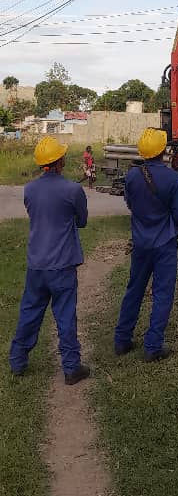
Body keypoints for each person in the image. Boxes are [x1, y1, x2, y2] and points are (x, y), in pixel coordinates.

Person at [9, 136, 90, 385]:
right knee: (65, 315)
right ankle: (71, 368)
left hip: (37, 264)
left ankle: (17, 360)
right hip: (62, 265)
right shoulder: (73, 190)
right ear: (60, 160)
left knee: (30, 312)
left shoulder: (29, 189)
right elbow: (82, 221)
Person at [114, 128, 178, 362]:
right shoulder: (173, 178)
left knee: (134, 290)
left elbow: (130, 203)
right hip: (164, 244)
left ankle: (122, 340)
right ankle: (153, 346)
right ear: (163, 151)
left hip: (140, 243)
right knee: (162, 294)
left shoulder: (132, 176)